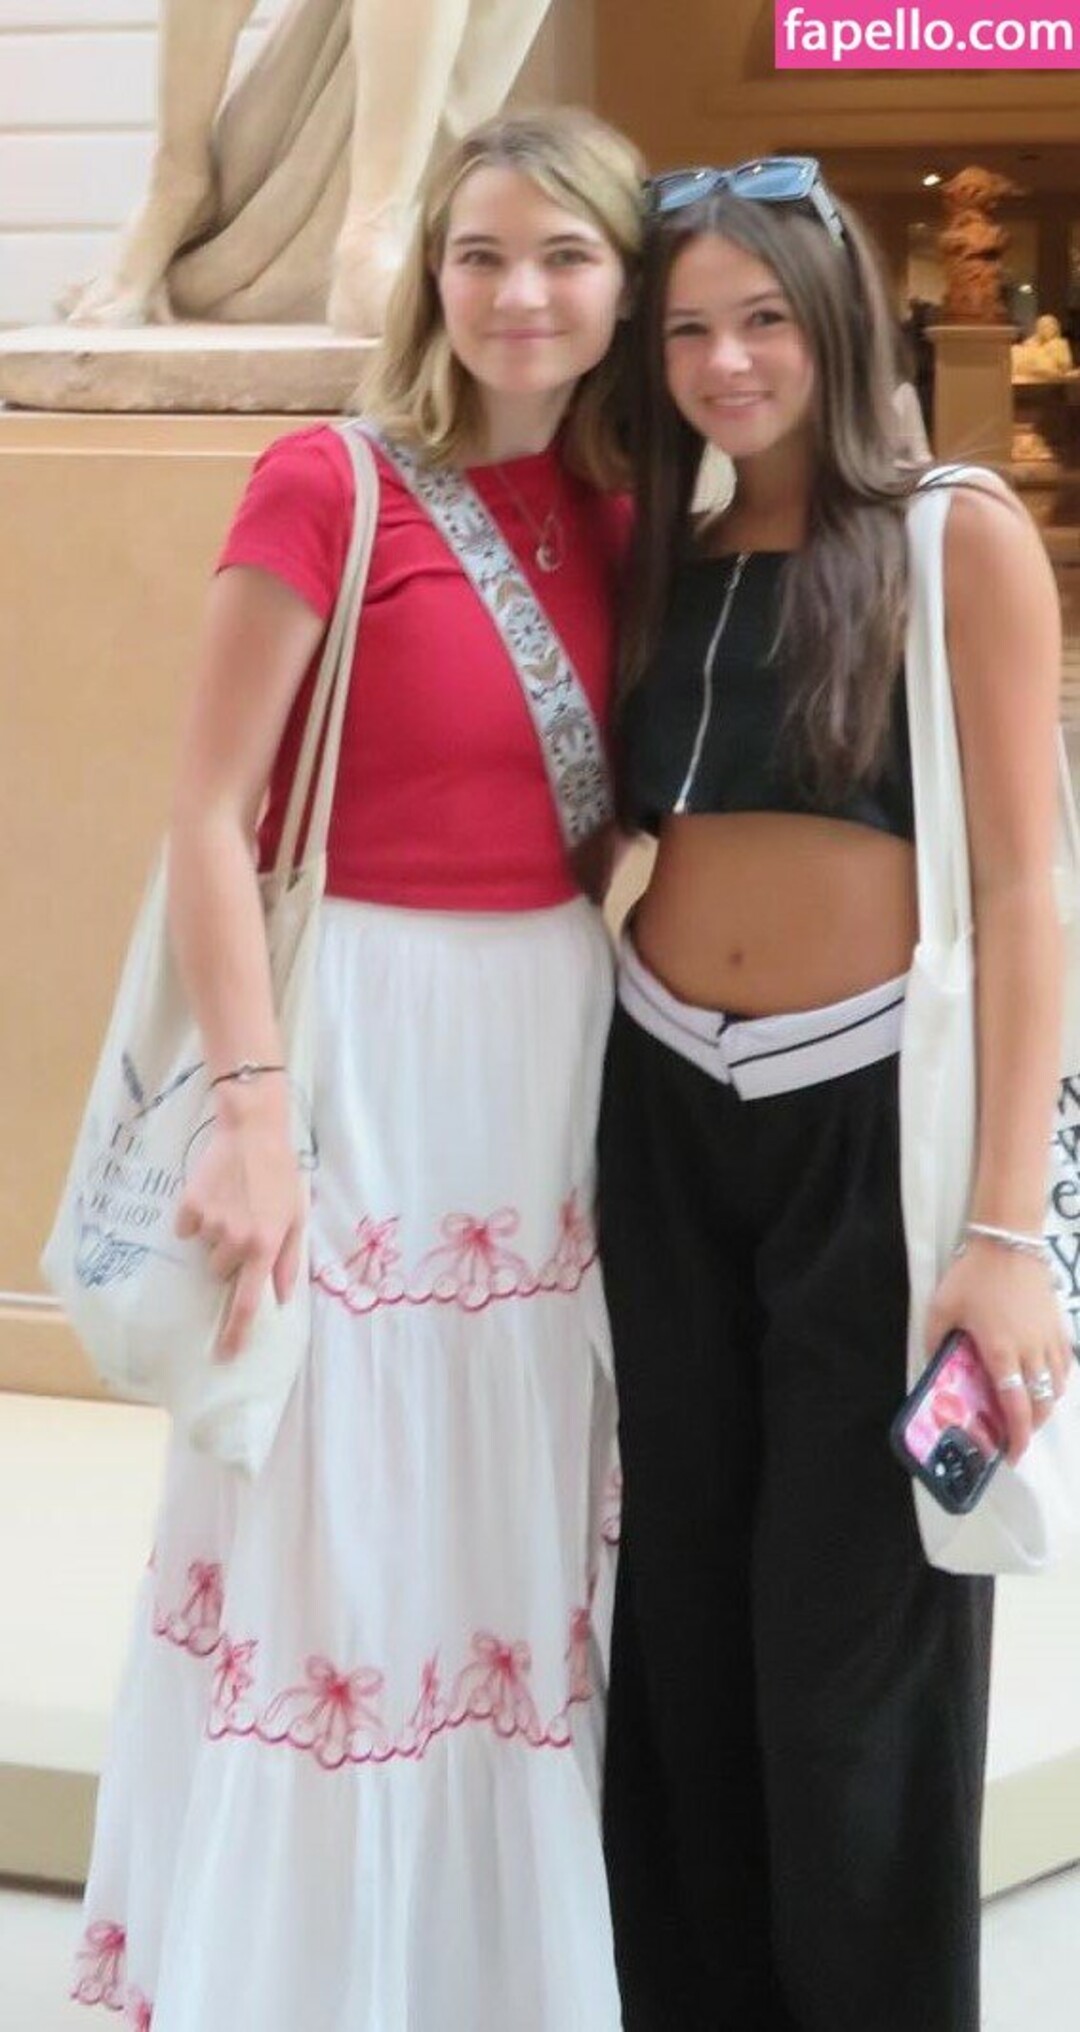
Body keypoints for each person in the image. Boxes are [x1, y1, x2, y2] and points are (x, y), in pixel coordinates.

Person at [70, 106, 641, 2032]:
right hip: (351, 1049)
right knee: (333, 1522)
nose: (518, 293)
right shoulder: (330, 481)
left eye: (564, 256)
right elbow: (206, 815)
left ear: (621, 285)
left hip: (547, 1060)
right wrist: (256, 1118)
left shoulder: (637, 516)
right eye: (480, 254)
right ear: (431, 278)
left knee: (506, 1522)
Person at [598, 157, 1070, 2032]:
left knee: (853, 1652)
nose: (726, 361)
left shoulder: (954, 532)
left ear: (839, 321)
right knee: (683, 1632)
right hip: (660, 1117)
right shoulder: (670, 550)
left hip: (873, 1134)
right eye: (688, 329)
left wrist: (1005, 1229)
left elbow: (1031, 886)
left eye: (763, 319)